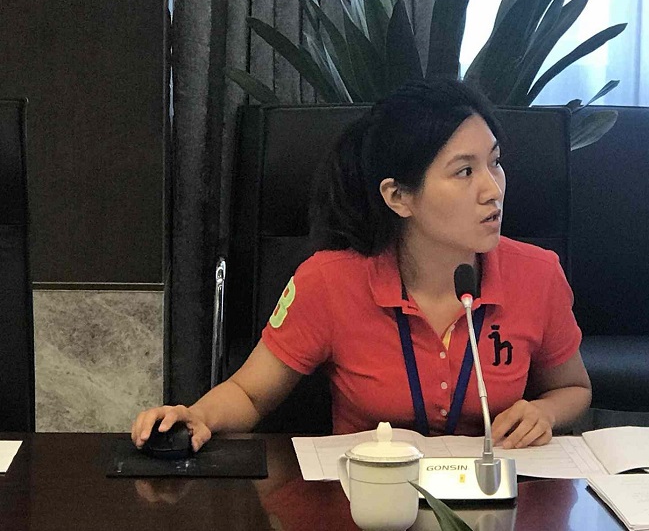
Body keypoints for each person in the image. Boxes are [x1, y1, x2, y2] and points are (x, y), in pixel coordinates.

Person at [132, 79, 591, 452]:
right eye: (465, 171)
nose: (493, 190)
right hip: (362, 502)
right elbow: (250, 394)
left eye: (495, 163)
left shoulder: (538, 274)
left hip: (492, 499)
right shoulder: (329, 281)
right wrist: (198, 415)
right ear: (398, 197)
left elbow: (574, 389)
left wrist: (545, 412)